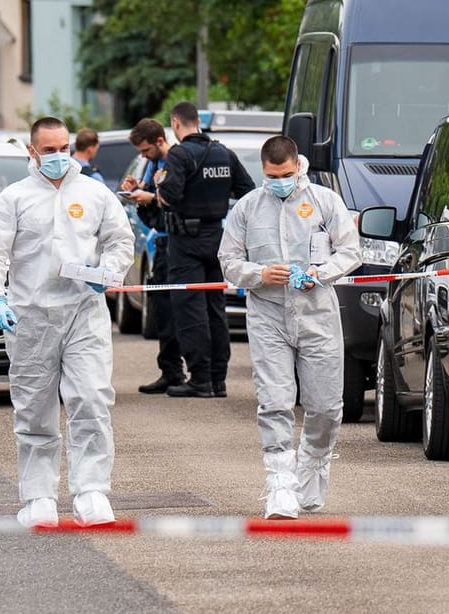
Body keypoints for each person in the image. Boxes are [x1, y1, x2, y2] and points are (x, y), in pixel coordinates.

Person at [0, 117, 133, 527]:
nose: (59, 157)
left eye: (63, 148)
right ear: (32, 152)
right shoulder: (14, 199)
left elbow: (120, 240)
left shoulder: (94, 194)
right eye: (49, 150)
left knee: (92, 399)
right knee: (34, 409)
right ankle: (38, 497)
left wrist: (108, 272)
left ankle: (92, 491)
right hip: (30, 318)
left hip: (83, 313)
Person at [220, 137, 361, 518]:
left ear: (298, 165)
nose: (279, 181)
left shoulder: (324, 201)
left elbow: (351, 250)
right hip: (268, 315)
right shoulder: (249, 206)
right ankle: (279, 483)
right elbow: (229, 260)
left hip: (317, 314)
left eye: (285, 174)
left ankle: (312, 463)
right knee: (275, 401)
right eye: (271, 176)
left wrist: (320, 273)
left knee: (326, 406)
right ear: (263, 172)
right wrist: (259, 273)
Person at [153, 102, 253, 399]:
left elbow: (169, 196)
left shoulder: (180, 154)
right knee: (215, 308)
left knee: (189, 310)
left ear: (176, 123)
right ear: (197, 121)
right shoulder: (224, 153)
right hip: (216, 237)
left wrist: (159, 186)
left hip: (185, 242)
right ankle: (218, 379)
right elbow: (247, 191)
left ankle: (199, 379)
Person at [122, 119, 188, 395]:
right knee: (162, 310)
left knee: (178, 312)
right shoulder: (153, 165)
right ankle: (170, 370)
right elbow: (152, 200)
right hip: (160, 243)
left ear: (160, 141)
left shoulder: (174, 161)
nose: (143, 156)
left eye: (146, 150)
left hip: (176, 244)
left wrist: (150, 198)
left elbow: (176, 201)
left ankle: (181, 372)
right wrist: (137, 189)